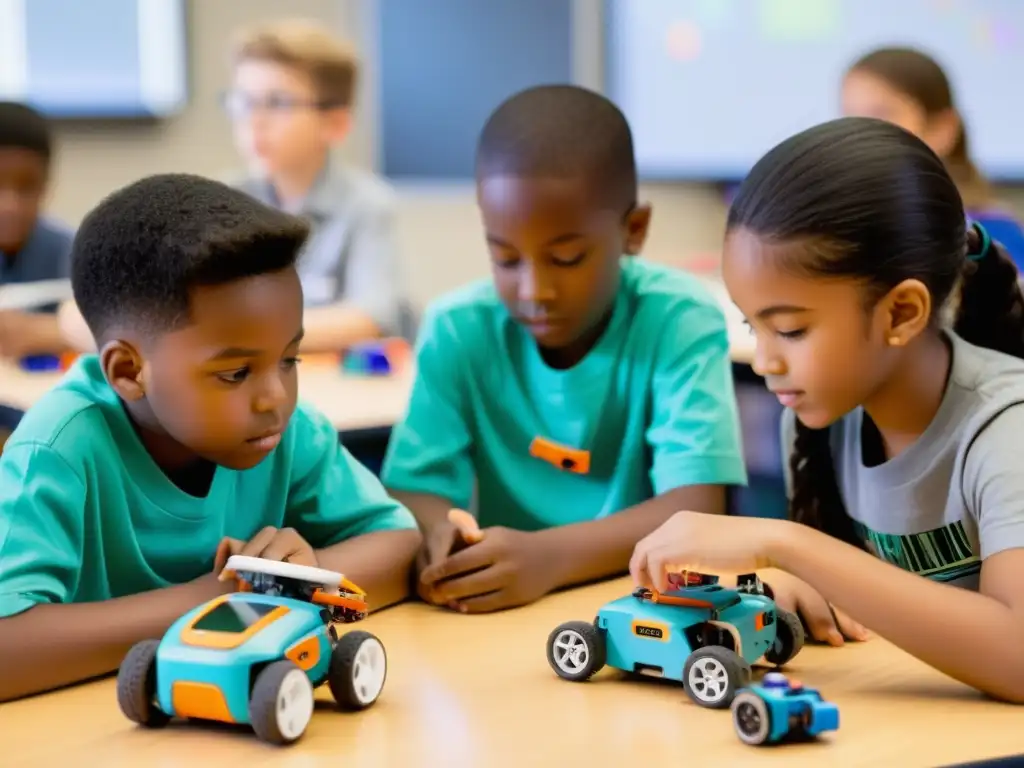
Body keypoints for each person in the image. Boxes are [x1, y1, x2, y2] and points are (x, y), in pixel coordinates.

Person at [629, 117, 1024, 703]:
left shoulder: (1005, 429)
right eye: (751, 325)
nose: (764, 361)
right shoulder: (823, 420)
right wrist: (794, 588)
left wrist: (789, 547)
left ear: (900, 314)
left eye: (789, 329)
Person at [0, 173, 420, 702]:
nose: (275, 397)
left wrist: (297, 582)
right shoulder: (57, 452)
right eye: (236, 373)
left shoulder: (284, 432)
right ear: (129, 371)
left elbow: (400, 542)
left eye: (289, 359)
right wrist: (209, 603)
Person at [382, 85, 747, 614]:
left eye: (568, 258)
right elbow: (412, 493)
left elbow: (697, 506)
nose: (534, 290)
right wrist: (439, 532)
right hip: (511, 612)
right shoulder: (457, 328)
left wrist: (548, 558)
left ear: (634, 231)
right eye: (505, 258)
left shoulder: (676, 318)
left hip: (642, 601)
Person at [56, 18, 409, 354]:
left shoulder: (366, 203)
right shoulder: (221, 197)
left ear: (334, 124)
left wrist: (227, 329)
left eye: (277, 102)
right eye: (243, 101)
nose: (254, 121)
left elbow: (369, 318)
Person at [841, 46, 1024, 268]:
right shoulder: (842, 227)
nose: (858, 133)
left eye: (882, 114)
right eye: (849, 117)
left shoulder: (992, 235)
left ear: (942, 129)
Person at [0, 101, 74, 359]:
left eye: (26, 186)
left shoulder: (73, 253)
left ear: (46, 183)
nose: (10, 205)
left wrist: (46, 332)